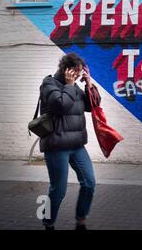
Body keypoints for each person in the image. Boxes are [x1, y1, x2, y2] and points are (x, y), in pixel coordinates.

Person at [39, 52, 100, 230]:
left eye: (81, 72)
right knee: (58, 190)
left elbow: (91, 106)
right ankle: (48, 222)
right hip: (57, 145)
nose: (78, 75)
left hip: (77, 145)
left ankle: (81, 220)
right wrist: (71, 85)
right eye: (77, 71)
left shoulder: (75, 87)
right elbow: (60, 105)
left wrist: (89, 84)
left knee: (89, 183)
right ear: (67, 69)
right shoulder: (49, 84)